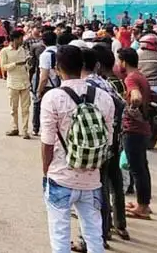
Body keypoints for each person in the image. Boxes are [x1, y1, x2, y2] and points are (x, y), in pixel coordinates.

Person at [40, 45, 114, 253]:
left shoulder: (53, 97)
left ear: (57, 67)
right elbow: (107, 141)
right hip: (92, 178)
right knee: (93, 234)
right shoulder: (103, 97)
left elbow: (47, 142)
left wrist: (46, 172)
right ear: (83, 66)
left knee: (60, 235)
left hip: (60, 176)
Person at [82, 45, 129, 248]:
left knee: (97, 189)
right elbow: (122, 106)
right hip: (115, 140)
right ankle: (120, 225)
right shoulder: (108, 83)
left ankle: (101, 234)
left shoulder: (89, 84)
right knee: (115, 183)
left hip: (100, 143)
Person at [117, 48, 153, 220]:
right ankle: (143, 202)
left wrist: (130, 109)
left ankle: (143, 207)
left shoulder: (131, 78)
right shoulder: (141, 76)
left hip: (133, 129)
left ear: (124, 62)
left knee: (137, 169)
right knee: (142, 167)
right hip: (143, 128)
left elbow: (136, 97)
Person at [1, 31, 31, 138]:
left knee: (26, 108)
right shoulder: (5, 51)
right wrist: (16, 64)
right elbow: (3, 67)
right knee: (13, 108)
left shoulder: (23, 50)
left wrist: (28, 64)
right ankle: (15, 128)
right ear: (15, 39)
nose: (22, 40)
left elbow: (26, 65)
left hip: (25, 81)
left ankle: (25, 131)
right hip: (13, 82)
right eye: (20, 38)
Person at [35, 30, 59, 136]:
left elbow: (44, 77)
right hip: (60, 86)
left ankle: (38, 129)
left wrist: (39, 90)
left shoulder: (45, 55)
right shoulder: (60, 51)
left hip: (48, 87)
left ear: (43, 41)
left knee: (43, 110)